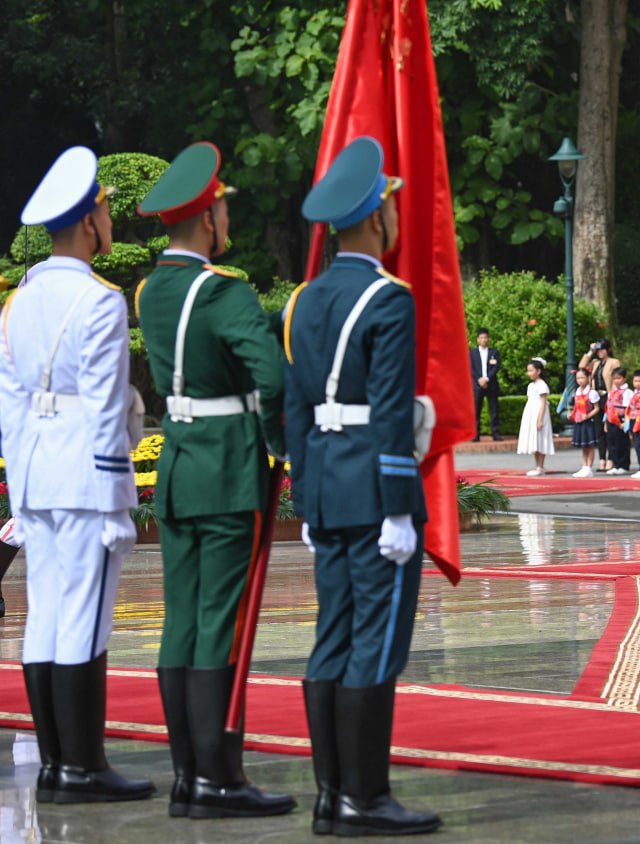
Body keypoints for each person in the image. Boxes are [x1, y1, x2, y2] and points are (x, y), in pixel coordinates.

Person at [283, 136, 441, 836]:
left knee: (332, 639)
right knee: (375, 644)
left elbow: (294, 411)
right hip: (375, 496)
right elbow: (388, 411)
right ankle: (365, 798)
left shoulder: (305, 298)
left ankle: (329, 795)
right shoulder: (387, 299)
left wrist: (307, 496)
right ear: (376, 219)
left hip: (326, 489)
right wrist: (401, 508)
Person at [135, 141, 296, 819]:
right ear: (208, 219)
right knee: (220, 625)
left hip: (177, 467)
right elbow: (272, 376)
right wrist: (281, 442)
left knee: (181, 621)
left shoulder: (153, 290)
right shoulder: (222, 289)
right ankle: (220, 778)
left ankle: (185, 776)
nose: (227, 217)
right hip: (227, 468)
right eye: (223, 207)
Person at [0, 147, 154, 802]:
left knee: (45, 618)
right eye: (106, 208)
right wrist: (116, 496)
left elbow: (8, 402)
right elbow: (103, 408)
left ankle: (60, 764)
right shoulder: (100, 301)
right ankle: (83, 767)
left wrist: (21, 485)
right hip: (83, 481)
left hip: (36, 473)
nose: (110, 217)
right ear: (89, 224)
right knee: (85, 621)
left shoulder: (20, 300)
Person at [579, 339, 620, 471]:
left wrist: (614, 397)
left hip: (608, 396)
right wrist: (590, 351)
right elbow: (581, 366)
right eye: (598, 350)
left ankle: (611, 459)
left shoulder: (614, 362)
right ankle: (602, 459)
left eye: (602, 349)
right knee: (599, 430)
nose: (600, 352)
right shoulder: (595, 363)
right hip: (596, 397)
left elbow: (617, 378)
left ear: (607, 349)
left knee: (610, 429)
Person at [517, 358, 554, 476]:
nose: (529, 373)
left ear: (538, 371)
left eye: (531, 370)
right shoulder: (531, 385)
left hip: (539, 413)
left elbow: (543, 403)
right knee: (535, 439)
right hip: (531, 412)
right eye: (528, 371)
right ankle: (537, 465)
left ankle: (540, 466)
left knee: (540, 438)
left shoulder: (542, 385)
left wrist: (540, 419)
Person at [470, 328, 501, 442]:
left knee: (494, 409)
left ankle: (496, 433)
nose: (484, 340)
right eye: (481, 338)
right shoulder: (472, 353)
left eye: (485, 337)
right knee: (476, 410)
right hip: (477, 385)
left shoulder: (494, 352)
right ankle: (475, 434)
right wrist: (479, 379)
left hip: (491, 384)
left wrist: (487, 378)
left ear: (488, 339)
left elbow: (496, 367)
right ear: (478, 339)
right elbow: (470, 368)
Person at [569, 368, 600, 477]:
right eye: (578, 378)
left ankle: (589, 467)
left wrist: (587, 415)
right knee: (583, 445)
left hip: (588, 421)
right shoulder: (577, 391)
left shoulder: (592, 392)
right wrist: (572, 415)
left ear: (588, 378)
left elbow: (597, 408)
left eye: (582, 377)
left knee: (589, 445)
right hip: (579, 421)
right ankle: (584, 466)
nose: (580, 380)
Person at [603, 368, 632, 475]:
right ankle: (616, 464)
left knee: (622, 442)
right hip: (611, 419)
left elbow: (627, 408)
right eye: (614, 378)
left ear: (624, 378)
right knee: (612, 442)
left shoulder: (627, 392)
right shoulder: (612, 391)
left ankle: (624, 465)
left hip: (621, 419)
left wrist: (626, 422)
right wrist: (606, 422)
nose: (616, 381)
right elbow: (608, 407)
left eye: (619, 378)